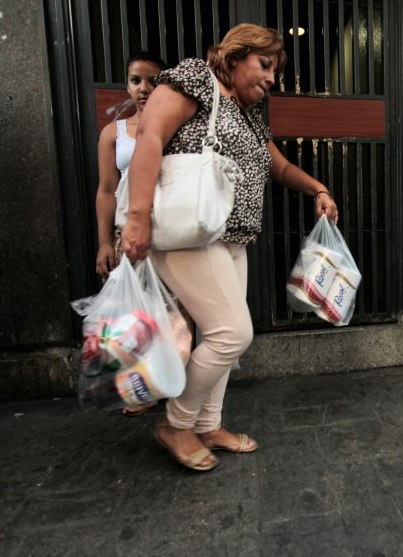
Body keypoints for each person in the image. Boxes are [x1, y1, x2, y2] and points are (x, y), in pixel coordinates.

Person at [121, 24, 338, 471]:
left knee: (223, 338)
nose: (272, 78)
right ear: (237, 56)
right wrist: (137, 218)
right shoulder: (196, 80)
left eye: (275, 70)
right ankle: (175, 424)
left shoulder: (248, 114)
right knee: (233, 332)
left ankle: (208, 424)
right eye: (266, 65)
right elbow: (150, 137)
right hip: (188, 235)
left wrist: (318, 187)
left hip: (229, 241)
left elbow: (277, 167)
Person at [94, 51, 167, 417]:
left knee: (172, 312)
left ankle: (172, 379)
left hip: (170, 233)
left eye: (152, 80)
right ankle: (142, 387)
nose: (144, 88)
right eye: (136, 80)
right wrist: (105, 242)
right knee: (136, 317)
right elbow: (107, 190)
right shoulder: (114, 133)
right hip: (131, 237)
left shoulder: (174, 129)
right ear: (127, 85)